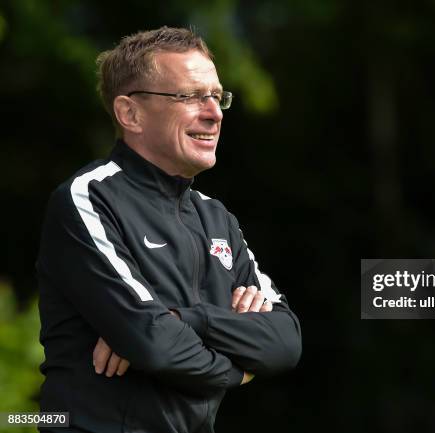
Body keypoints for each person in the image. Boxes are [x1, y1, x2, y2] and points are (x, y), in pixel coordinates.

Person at [36, 26, 302, 433]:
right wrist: (240, 372)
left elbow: (285, 341)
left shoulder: (217, 218)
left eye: (217, 96)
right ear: (131, 114)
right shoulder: (88, 198)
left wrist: (188, 320)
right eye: (191, 96)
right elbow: (154, 344)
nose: (214, 113)